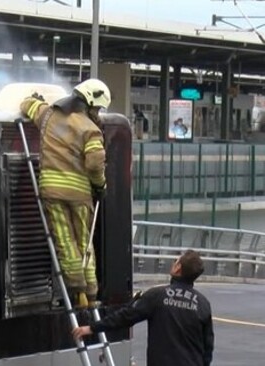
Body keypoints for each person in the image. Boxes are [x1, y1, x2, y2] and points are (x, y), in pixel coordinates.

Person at [19, 79, 110, 309]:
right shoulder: (90, 129)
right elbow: (95, 163)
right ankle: (89, 294)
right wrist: (100, 185)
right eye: (98, 108)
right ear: (89, 102)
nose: (98, 113)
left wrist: (36, 99)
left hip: (50, 189)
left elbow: (26, 105)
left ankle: (76, 291)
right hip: (79, 194)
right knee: (83, 243)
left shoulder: (48, 115)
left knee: (64, 241)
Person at [72, 250, 214, 366]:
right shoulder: (203, 303)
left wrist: (92, 328)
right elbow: (208, 348)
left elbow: (125, 317)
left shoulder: (157, 295)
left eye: (176, 261)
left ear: (178, 269)